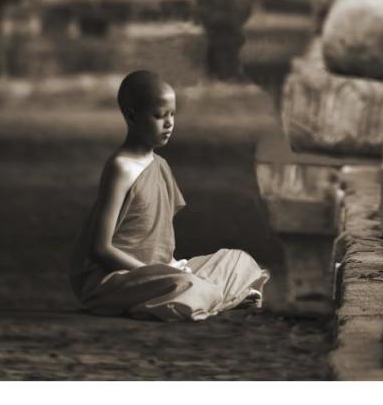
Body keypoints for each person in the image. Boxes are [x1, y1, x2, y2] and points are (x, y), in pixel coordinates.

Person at [68, 70, 269, 321]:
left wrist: (173, 267)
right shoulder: (121, 167)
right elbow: (100, 249)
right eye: (159, 116)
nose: (169, 123)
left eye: (172, 114)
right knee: (188, 286)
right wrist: (154, 273)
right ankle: (217, 297)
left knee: (239, 261)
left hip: (161, 274)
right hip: (117, 278)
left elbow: (158, 242)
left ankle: (208, 296)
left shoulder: (160, 166)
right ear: (131, 116)